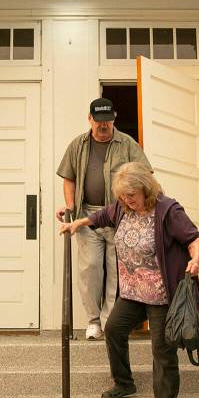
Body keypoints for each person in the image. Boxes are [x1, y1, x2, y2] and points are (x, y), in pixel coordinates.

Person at [60, 163, 199, 398]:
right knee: (113, 329)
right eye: (123, 196)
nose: (127, 201)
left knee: (162, 350)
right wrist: (79, 222)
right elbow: (102, 215)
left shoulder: (168, 210)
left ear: (146, 189)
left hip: (161, 295)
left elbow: (194, 239)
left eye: (132, 196)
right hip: (133, 292)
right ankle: (124, 383)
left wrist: (196, 258)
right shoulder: (123, 207)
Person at [56, 98, 152, 340]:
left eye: (107, 121)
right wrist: (70, 205)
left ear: (114, 118)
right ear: (89, 119)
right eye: (98, 121)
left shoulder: (127, 144)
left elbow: (146, 174)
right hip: (87, 215)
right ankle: (93, 321)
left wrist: (141, 204)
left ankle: (111, 321)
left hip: (119, 217)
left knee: (117, 270)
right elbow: (69, 177)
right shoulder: (78, 145)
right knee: (90, 269)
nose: (103, 125)